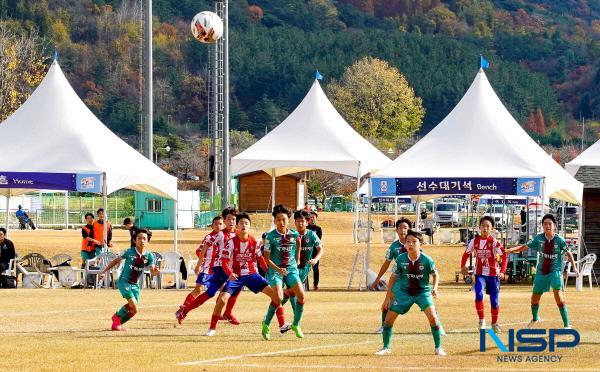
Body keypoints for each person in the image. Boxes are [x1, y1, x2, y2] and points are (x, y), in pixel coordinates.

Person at [207, 213, 283, 337]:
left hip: (253, 275)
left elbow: (260, 259)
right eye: (241, 223)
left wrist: (268, 271)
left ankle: (282, 323)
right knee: (221, 299)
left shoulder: (254, 241)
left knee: (276, 296)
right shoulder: (231, 242)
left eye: (246, 223)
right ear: (237, 226)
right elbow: (224, 261)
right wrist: (230, 273)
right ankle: (212, 328)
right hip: (236, 276)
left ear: (249, 226)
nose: (244, 225)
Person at [376, 230, 445, 356]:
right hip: (404, 293)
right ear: (405, 245)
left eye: (414, 242)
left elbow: (436, 274)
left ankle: (438, 348)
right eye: (408, 242)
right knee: (388, 320)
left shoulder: (427, 260)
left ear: (420, 244)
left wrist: (435, 288)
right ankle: (386, 347)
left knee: (434, 319)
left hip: (422, 292)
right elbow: (393, 278)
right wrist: (387, 297)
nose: (410, 244)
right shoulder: (401, 259)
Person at [506, 214, 578, 329]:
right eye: (545, 224)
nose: (547, 226)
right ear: (542, 226)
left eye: (550, 224)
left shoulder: (559, 240)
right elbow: (525, 247)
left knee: (558, 293)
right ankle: (535, 318)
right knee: (535, 297)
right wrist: (510, 250)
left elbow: (568, 253)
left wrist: (574, 267)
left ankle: (566, 324)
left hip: (555, 270)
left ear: (554, 226)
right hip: (541, 272)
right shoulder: (538, 239)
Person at [175, 208, 241, 329]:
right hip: (220, 268)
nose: (231, 221)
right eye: (228, 219)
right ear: (225, 220)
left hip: (232, 269)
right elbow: (205, 247)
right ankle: (185, 310)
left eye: (234, 219)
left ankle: (226, 313)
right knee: (209, 292)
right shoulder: (220, 234)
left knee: (231, 289)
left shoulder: (238, 233)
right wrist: (199, 263)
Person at [99, 228, 158, 331]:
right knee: (133, 306)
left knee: (134, 310)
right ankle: (116, 317)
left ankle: (117, 323)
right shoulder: (129, 252)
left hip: (135, 285)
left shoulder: (150, 256)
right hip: (124, 282)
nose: (142, 240)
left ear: (147, 241)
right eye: (139, 238)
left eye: (144, 238)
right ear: (135, 240)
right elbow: (116, 260)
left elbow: (153, 271)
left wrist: (155, 271)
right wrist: (104, 272)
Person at [262, 204, 305, 340]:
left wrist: (297, 259)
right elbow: (267, 259)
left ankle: (296, 325)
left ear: (288, 220)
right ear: (274, 221)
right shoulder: (270, 236)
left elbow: (298, 243)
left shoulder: (294, 234)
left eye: (284, 219)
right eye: (278, 220)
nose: (281, 222)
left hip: (291, 269)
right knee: (279, 297)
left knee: (301, 296)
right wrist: (278, 269)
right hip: (275, 270)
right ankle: (266, 324)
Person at [460, 216, 508, 332]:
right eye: (483, 226)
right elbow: (466, 254)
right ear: (479, 227)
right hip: (480, 274)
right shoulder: (474, 241)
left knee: (494, 301)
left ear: (492, 229)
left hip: (493, 275)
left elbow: (504, 256)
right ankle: (481, 320)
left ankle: (495, 323)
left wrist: (502, 271)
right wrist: (463, 266)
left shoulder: (495, 242)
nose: (485, 229)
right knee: (478, 294)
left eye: (488, 226)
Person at [175, 216, 224, 324]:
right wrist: (201, 262)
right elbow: (199, 251)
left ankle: (218, 313)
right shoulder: (209, 237)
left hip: (219, 269)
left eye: (220, 224)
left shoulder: (225, 236)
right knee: (198, 289)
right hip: (207, 268)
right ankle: (184, 310)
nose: (218, 226)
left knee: (224, 290)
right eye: (216, 224)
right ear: (212, 226)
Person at [370, 218, 410, 333]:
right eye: (400, 228)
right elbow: (386, 263)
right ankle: (384, 326)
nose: (403, 230)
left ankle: (438, 326)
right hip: (399, 279)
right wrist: (377, 279)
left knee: (428, 303)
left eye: (405, 228)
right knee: (388, 300)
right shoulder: (393, 247)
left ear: (409, 229)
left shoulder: (414, 242)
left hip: (415, 279)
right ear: (396, 230)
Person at [281, 210, 323, 312]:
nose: (300, 224)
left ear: (307, 222)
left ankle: (275, 307)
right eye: (298, 221)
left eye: (303, 221)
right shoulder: (290, 235)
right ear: (294, 222)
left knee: (289, 291)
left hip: (304, 268)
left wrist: (315, 259)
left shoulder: (311, 234)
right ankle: (296, 315)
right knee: (292, 291)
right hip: (291, 268)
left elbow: (320, 249)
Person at [307, 211, 322, 290]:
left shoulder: (318, 229)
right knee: (304, 268)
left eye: (314, 217)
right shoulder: (305, 228)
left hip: (315, 252)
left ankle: (315, 285)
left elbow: (318, 240)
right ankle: (305, 285)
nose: (312, 219)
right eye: (311, 217)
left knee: (315, 269)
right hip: (306, 251)